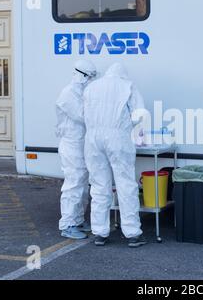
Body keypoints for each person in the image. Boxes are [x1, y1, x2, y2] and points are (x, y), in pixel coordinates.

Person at [83, 63, 147, 247]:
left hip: (93, 138)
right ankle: (132, 233)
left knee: (99, 186)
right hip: (117, 137)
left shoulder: (91, 87)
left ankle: (100, 233)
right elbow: (139, 114)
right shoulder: (127, 85)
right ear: (123, 75)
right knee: (125, 184)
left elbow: (84, 113)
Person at [56, 60, 97, 239]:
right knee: (73, 184)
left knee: (82, 184)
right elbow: (82, 116)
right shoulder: (68, 94)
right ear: (81, 75)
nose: (91, 80)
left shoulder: (82, 92)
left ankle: (78, 220)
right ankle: (68, 224)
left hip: (81, 144)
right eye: (90, 76)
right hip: (71, 144)